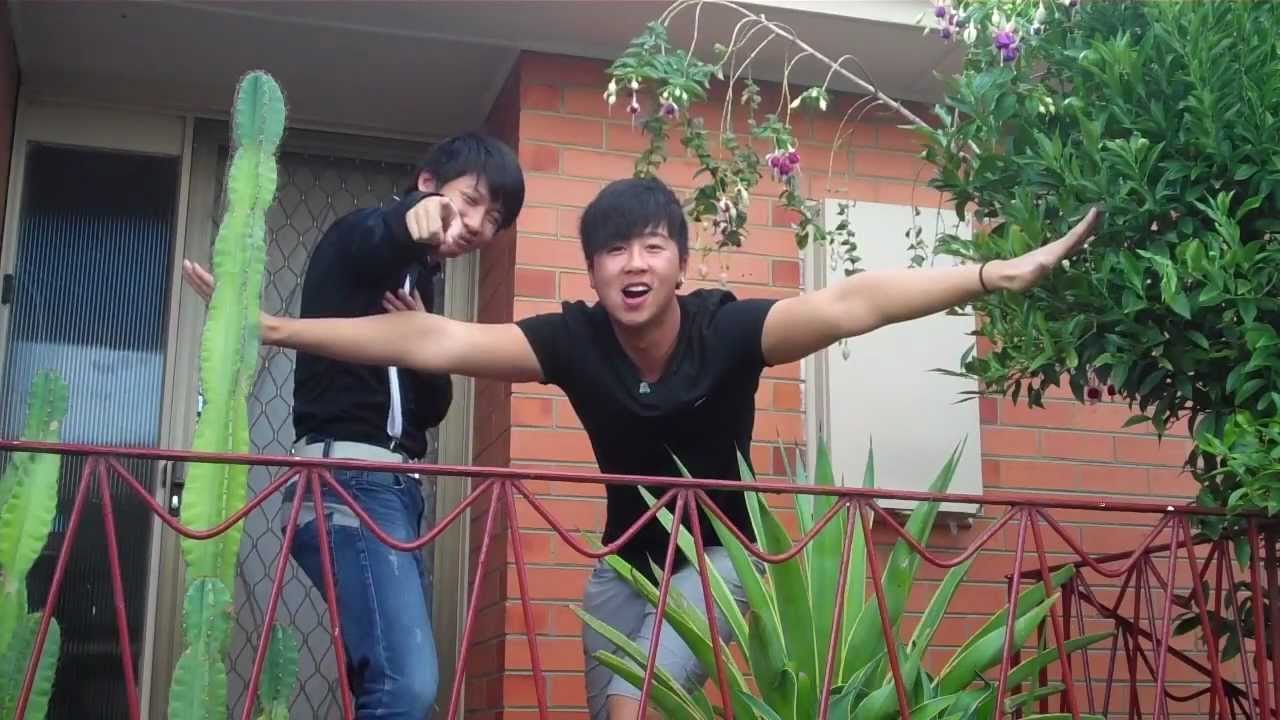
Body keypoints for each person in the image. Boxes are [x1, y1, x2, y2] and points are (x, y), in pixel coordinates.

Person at [184, 176, 1096, 720]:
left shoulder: (726, 331)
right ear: (592, 269)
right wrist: (277, 328)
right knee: (615, 706)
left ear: (678, 262)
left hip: (723, 560)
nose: (633, 264)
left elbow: (853, 302)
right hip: (623, 570)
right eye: (613, 250)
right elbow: (436, 340)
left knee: (635, 700)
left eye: (651, 247)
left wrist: (991, 274)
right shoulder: (575, 341)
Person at [185, 132, 523, 720]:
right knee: (405, 685)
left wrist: (425, 336)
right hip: (349, 483)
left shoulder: (419, 284)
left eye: (493, 218)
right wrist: (414, 217)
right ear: (427, 184)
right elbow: (379, 236)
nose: (476, 224)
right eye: (469, 201)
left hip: (391, 491)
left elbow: (432, 409)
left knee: (380, 682)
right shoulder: (361, 238)